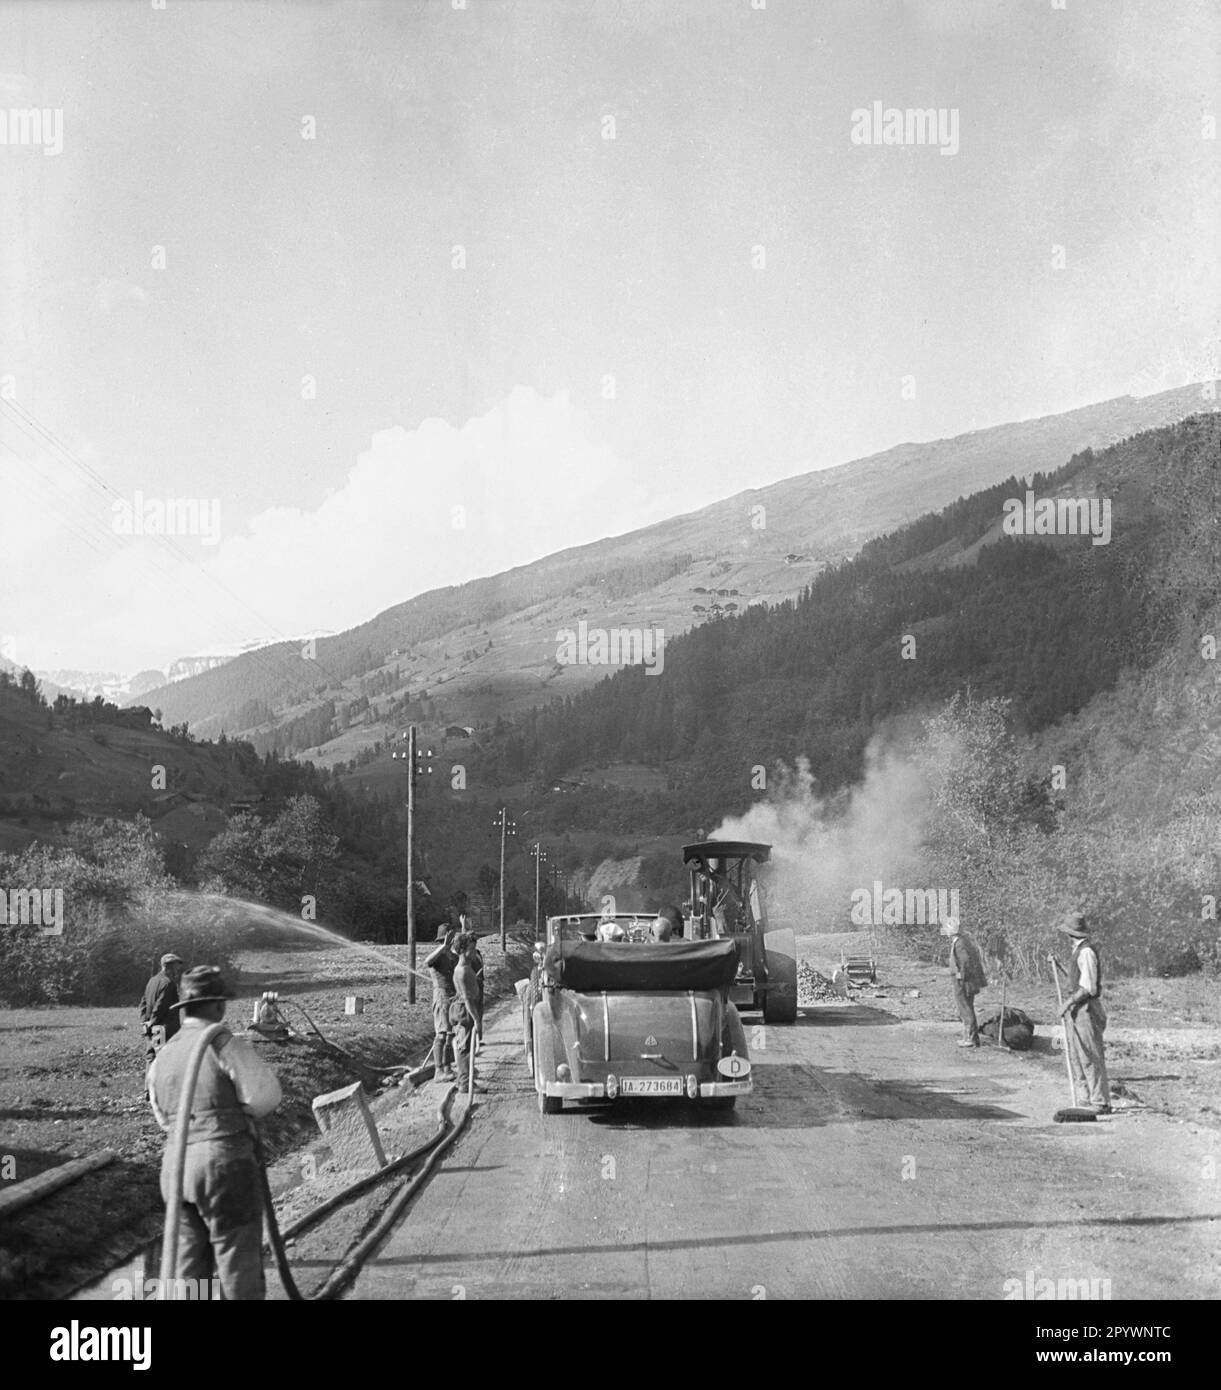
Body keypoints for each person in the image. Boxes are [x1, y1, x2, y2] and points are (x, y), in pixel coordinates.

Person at [148, 966, 282, 1300]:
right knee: (237, 1258)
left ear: (185, 1008)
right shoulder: (223, 1043)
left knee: (189, 1265)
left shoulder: (164, 1055)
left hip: (177, 1169)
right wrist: (236, 1116)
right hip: (224, 1164)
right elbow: (265, 1096)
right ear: (217, 1006)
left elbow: (163, 1118)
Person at [1050, 911, 1111, 1113]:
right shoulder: (1078, 950)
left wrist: (1066, 1004)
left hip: (1087, 1010)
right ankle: (1085, 1098)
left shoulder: (1086, 952)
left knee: (1090, 1056)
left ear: (1071, 934)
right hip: (1076, 1009)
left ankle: (1100, 1102)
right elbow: (1077, 980)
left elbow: (1088, 988)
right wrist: (1058, 964)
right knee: (1076, 1055)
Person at [941, 917, 987, 1047]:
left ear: (951, 930)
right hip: (962, 979)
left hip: (961, 980)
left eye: (947, 928)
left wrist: (961, 976)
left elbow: (965, 961)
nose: (945, 931)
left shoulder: (959, 943)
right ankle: (971, 1038)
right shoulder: (961, 941)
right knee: (967, 1007)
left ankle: (970, 1039)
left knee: (965, 1008)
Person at [450, 934, 486, 1094]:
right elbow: (467, 1000)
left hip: (468, 1009)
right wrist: (477, 1020)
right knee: (464, 1048)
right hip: (465, 1012)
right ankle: (465, 1083)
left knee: (465, 1047)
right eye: (471, 950)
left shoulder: (467, 967)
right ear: (463, 950)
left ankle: (464, 1079)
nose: (474, 953)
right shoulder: (462, 971)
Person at [425, 929, 460, 1081]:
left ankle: (447, 1067)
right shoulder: (437, 956)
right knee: (441, 1034)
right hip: (441, 996)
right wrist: (443, 947)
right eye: (447, 940)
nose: (450, 942)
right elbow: (427, 961)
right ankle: (438, 1071)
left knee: (450, 1034)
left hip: (452, 996)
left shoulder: (452, 956)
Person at [140, 953, 185, 1060]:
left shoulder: (152, 981)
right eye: (175, 965)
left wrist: (144, 1022)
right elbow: (160, 1006)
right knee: (165, 1060)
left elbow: (143, 1003)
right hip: (165, 1029)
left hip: (153, 1028)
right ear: (168, 966)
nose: (178, 968)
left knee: (152, 1057)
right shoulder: (168, 983)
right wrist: (152, 1022)